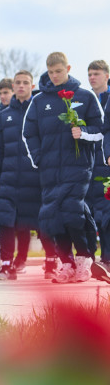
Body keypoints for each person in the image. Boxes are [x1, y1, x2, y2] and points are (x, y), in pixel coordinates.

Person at [22, 52, 104, 283]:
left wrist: (84, 133)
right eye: (51, 72)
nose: (55, 76)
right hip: (49, 168)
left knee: (71, 210)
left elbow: (100, 129)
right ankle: (67, 263)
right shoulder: (39, 101)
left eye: (59, 71)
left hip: (78, 166)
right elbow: (29, 133)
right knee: (53, 216)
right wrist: (38, 158)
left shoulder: (85, 97)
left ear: (67, 68)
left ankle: (84, 260)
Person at [0, 70, 57, 279]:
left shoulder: (41, 112)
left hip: (37, 180)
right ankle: (8, 263)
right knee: (6, 222)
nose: (20, 86)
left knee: (43, 223)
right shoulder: (3, 116)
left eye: (25, 83)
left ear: (32, 85)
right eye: (18, 82)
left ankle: (51, 261)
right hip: (9, 181)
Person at [85, 60, 110, 282]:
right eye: (90, 74)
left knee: (106, 213)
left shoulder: (107, 99)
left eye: (97, 73)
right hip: (92, 165)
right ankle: (95, 259)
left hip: (106, 164)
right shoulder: (86, 100)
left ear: (107, 75)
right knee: (95, 215)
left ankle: (106, 258)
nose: (92, 78)